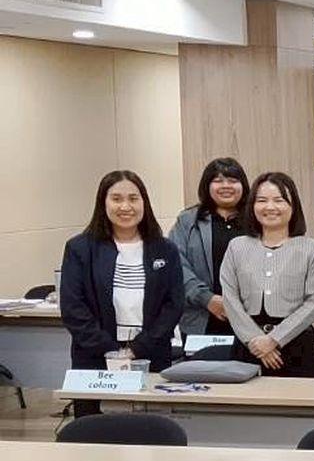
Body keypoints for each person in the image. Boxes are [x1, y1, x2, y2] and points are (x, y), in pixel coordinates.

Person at [59, 171, 185, 398]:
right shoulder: (80, 249)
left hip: (151, 354)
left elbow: (173, 304)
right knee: (95, 419)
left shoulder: (165, 249)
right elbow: (73, 307)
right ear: (103, 203)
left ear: (144, 203)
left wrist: (137, 348)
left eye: (133, 199)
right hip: (94, 356)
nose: (125, 206)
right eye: (116, 199)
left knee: (151, 417)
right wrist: (111, 350)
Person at [219, 172, 314, 378]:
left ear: (293, 206)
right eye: (262, 200)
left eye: (279, 200)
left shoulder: (311, 249)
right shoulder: (237, 247)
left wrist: (273, 340)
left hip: (296, 344)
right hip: (248, 344)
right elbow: (230, 297)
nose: (270, 207)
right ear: (252, 206)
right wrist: (254, 339)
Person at [170, 157, 248, 336]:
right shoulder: (188, 220)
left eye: (233, 180)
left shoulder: (256, 221)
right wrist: (207, 299)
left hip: (250, 319)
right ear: (207, 185)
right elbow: (176, 265)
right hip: (200, 317)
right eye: (218, 180)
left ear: (243, 185)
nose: (226, 186)